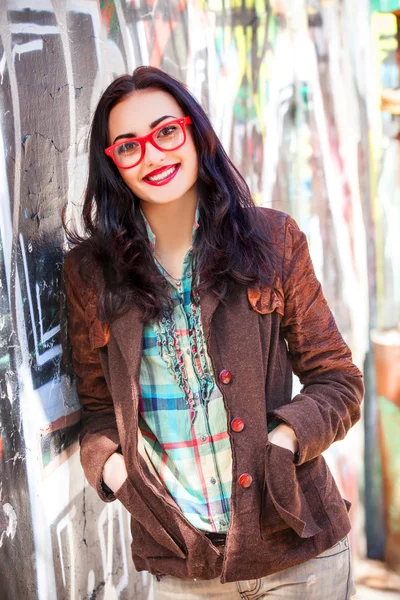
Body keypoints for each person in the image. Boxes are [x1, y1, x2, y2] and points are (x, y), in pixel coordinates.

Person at [64, 66, 364, 599]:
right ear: (113, 165)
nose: (152, 156)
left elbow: (338, 380)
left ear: (194, 131)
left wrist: (284, 441)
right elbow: (96, 410)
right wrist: (119, 476)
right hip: (185, 565)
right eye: (128, 146)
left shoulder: (273, 239)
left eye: (166, 132)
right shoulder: (92, 274)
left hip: (299, 548)